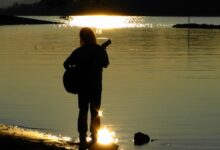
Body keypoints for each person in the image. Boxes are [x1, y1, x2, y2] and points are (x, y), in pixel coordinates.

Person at [63, 27, 109, 148]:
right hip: (96, 87)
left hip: (82, 86)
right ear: (93, 36)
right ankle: (94, 138)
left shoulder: (79, 51)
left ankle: (82, 138)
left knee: (82, 111)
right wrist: (102, 51)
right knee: (95, 113)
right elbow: (106, 64)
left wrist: (73, 72)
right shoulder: (99, 50)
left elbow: (66, 64)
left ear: (82, 38)